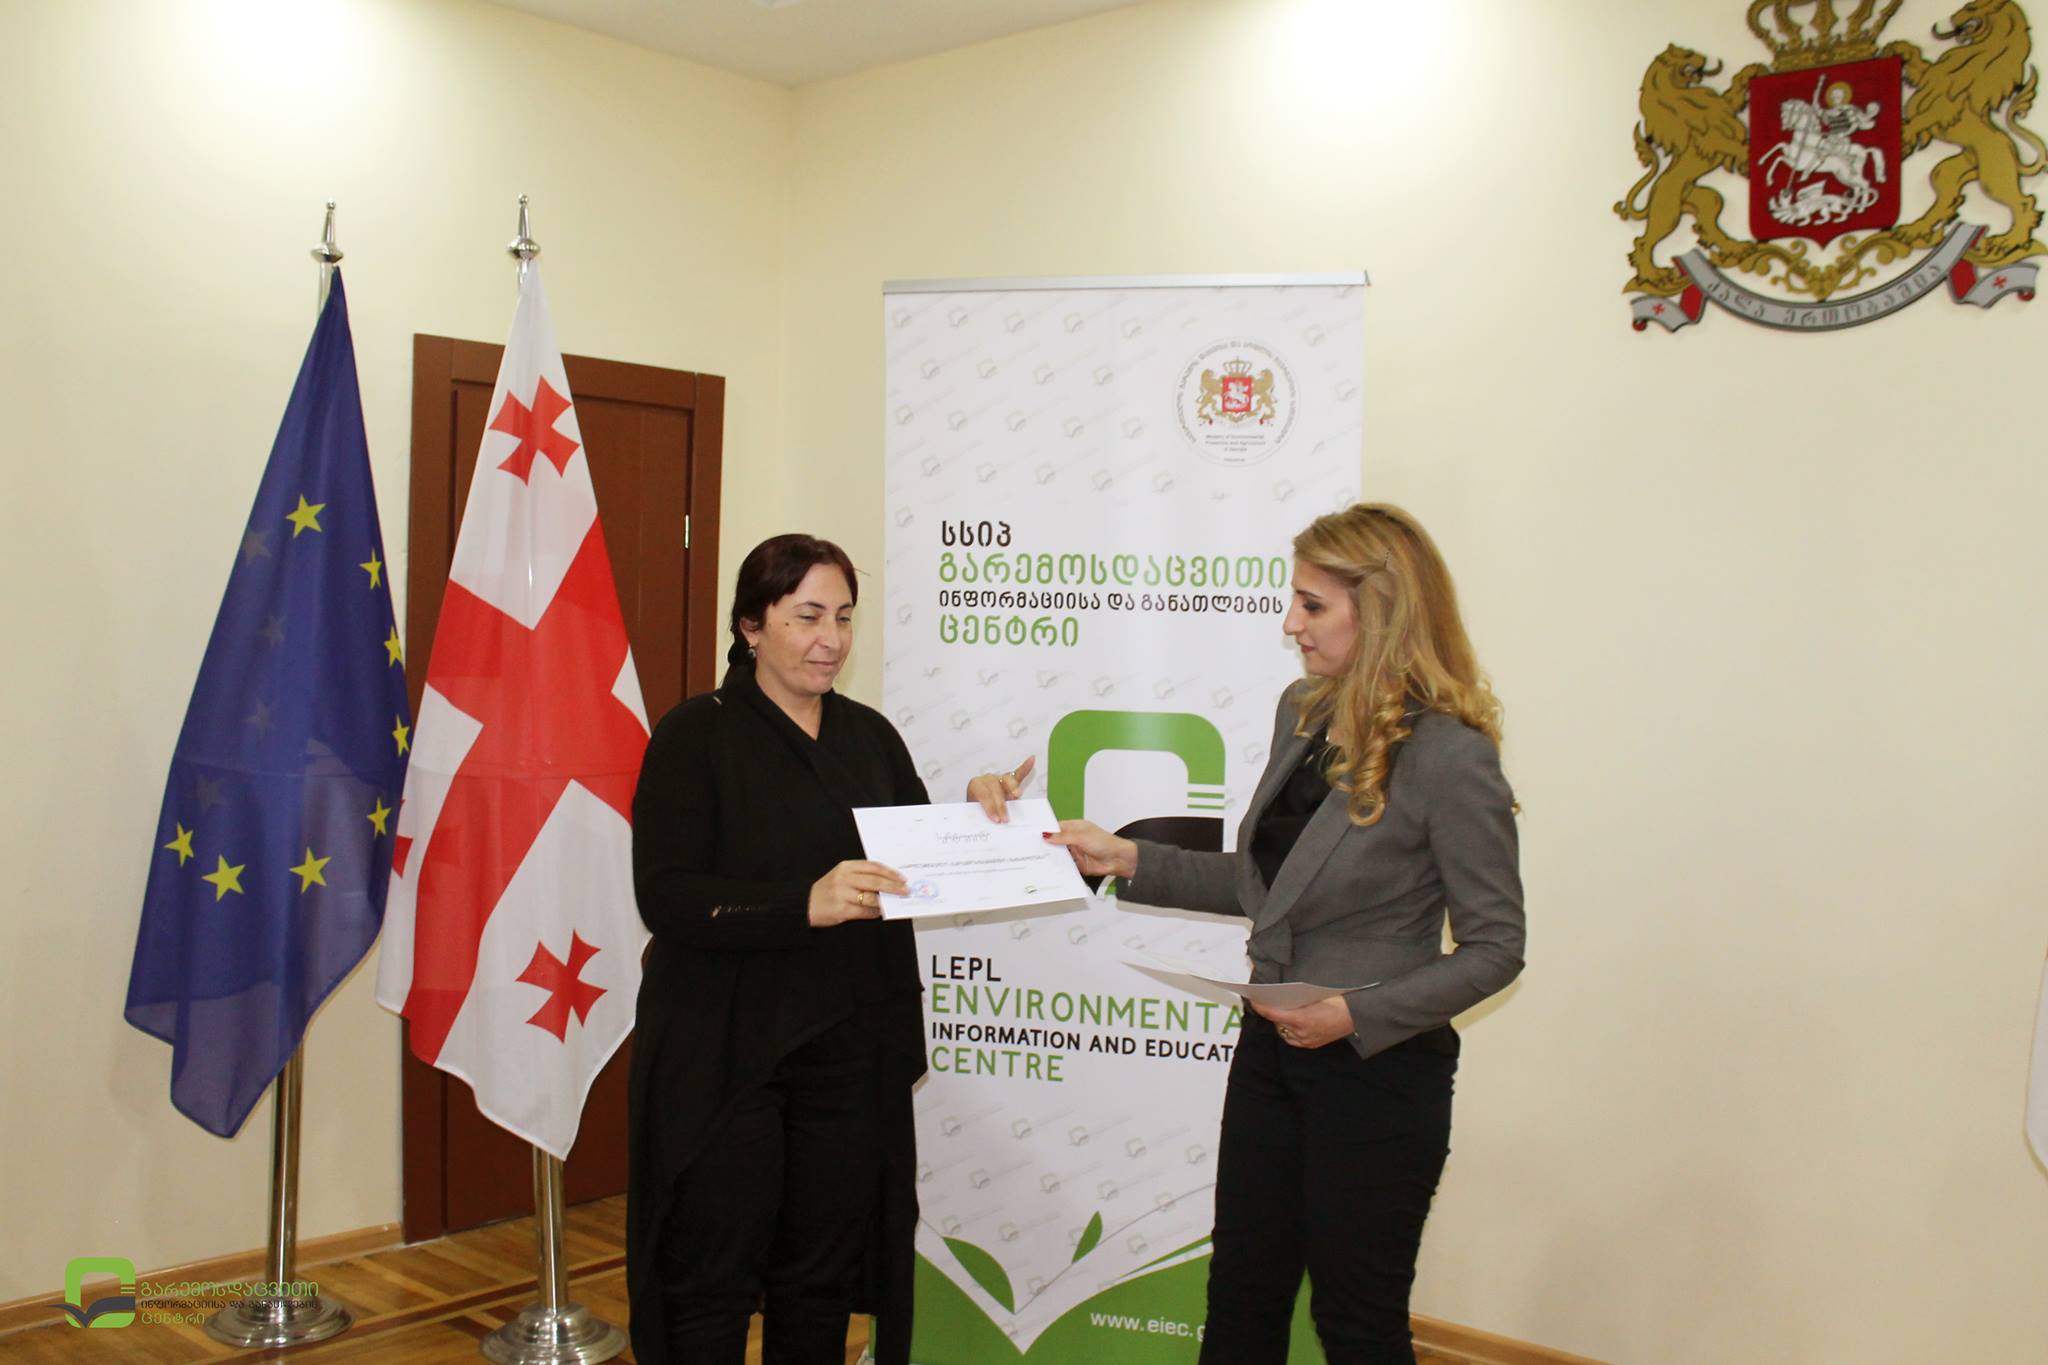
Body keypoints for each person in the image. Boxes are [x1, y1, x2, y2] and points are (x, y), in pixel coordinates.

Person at [1040, 503, 1525, 1365]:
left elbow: (1496, 947)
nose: (1291, 624)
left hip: (1379, 1073)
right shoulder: (1300, 711)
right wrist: (1125, 856)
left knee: (1356, 1324)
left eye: (1312, 604)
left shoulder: (1450, 755)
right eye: (1294, 600)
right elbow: (1269, 886)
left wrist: (1354, 1014)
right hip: (1269, 1057)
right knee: (1240, 1297)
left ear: (1381, 610)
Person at [624, 532, 1027, 1365]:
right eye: (807, 616)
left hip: (847, 1048)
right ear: (750, 626)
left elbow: (914, 858)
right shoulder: (694, 735)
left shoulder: (869, 737)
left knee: (820, 1277)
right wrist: (800, 903)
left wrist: (981, 812)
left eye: (843, 617)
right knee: (712, 1280)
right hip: (727, 1054)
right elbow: (665, 895)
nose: (831, 639)